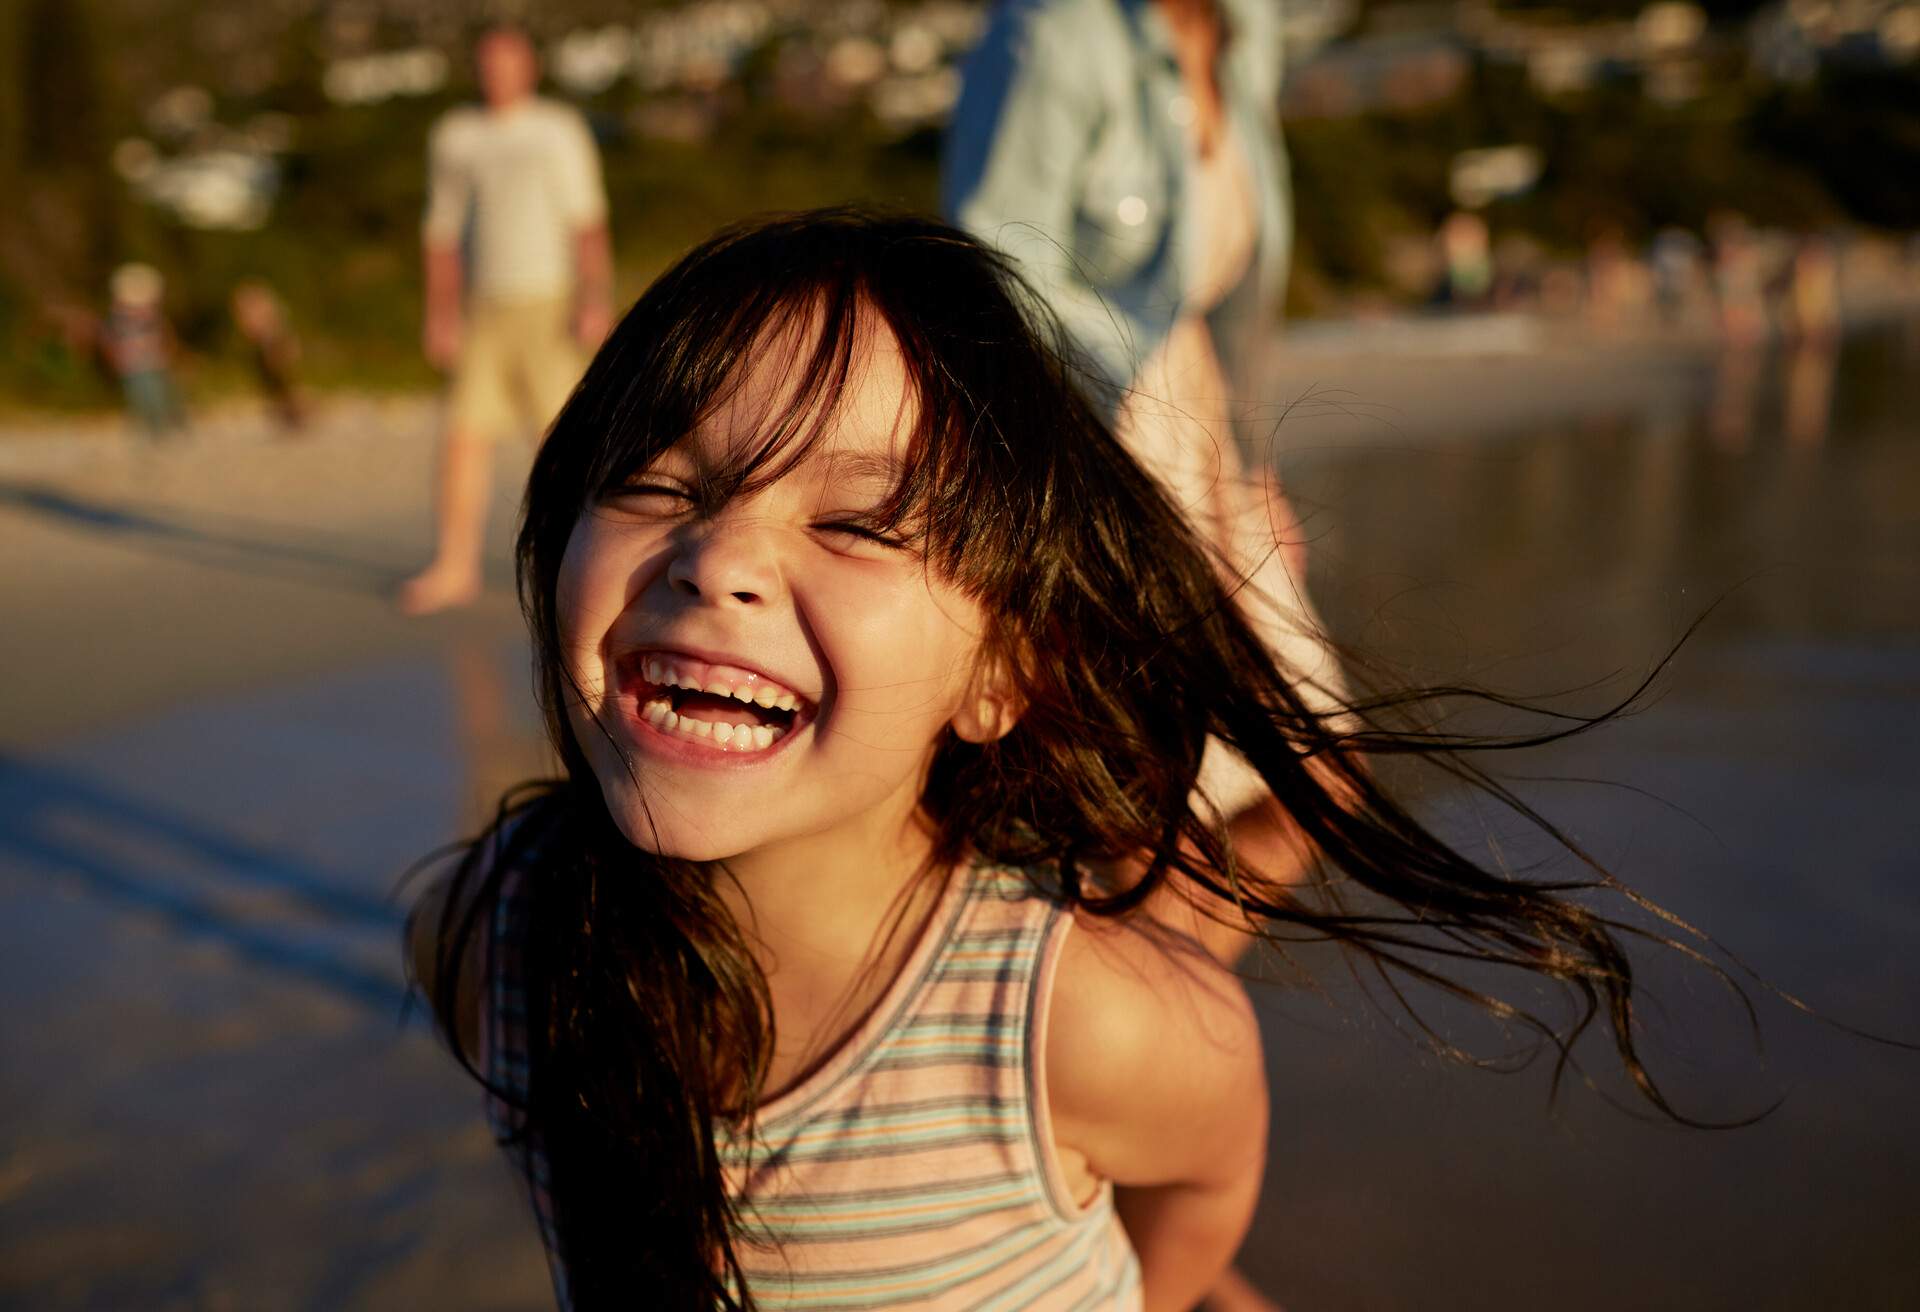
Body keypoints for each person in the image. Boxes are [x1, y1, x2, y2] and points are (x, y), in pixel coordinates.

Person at [409, 210, 1719, 1310]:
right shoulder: (492, 934)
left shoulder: (1090, 1028)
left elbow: (1201, 1190)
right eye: (661, 484)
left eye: (858, 521)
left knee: (1239, 868)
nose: (720, 558)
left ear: (1003, 674)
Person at [942, 0, 1342, 906]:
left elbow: (1233, 285)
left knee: (1315, 770)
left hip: (1199, 408)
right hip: (1095, 419)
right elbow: (991, 262)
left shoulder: (1245, 28)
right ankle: (1141, 1025)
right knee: (1157, 795)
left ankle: (1153, 1012)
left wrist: (1249, 465)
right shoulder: (1052, 31)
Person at [399, 23, 614, 616]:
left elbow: (587, 221)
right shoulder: (456, 134)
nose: (498, 74)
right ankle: (454, 567)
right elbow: (440, 234)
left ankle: (575, 567)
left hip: (550, 302)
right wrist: (439, 314)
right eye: (488, 63)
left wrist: (594, 297)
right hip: (481, 308)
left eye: (509, 62)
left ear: (529, 68)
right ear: (477, 69)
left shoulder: (557, 129)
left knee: (559, 443)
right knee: (463, 438)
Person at [99, 263, 186, 439]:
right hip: (132, 365)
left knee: (162, 395)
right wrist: (114, 358)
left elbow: (165, 334)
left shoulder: (153, 316)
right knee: (141, 396)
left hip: (154, 362)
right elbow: (108, 339)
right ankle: (153, 428)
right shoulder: (117, 319)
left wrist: (169, 351)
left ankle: (169, 425)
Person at [230, 280, 307, 431]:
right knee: (276, 385)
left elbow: (256, 330)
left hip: (270, 346)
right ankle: (291, 414)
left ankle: (296, 413)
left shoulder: (264, 313)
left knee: (282, 384)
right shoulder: (264, 310)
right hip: (264, 348)